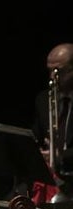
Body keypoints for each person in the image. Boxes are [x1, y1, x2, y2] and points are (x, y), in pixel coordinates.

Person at [32, 42, 73, 200]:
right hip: (53, 181)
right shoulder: (43, 99)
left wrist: (60, 156)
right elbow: (37, 136)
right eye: (50, 71)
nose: (52, 78)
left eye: (58, 72)